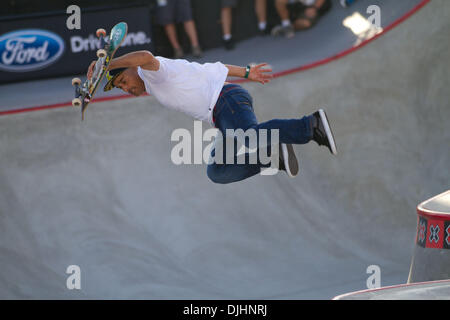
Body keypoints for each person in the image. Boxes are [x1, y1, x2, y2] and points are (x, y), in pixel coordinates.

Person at [87, 51, 337, 184]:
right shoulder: (154, 82)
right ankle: (272, 158)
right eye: (121, 87)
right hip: (223, 113)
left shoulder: (151, 72)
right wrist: (246, 72)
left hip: (225, 101)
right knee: (217, 171)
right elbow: (209, 68)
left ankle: (311, 125)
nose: (127, 88)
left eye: (124, 81)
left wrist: (108, 64)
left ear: (132, 70)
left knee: (250, 137)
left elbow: (145, 57)